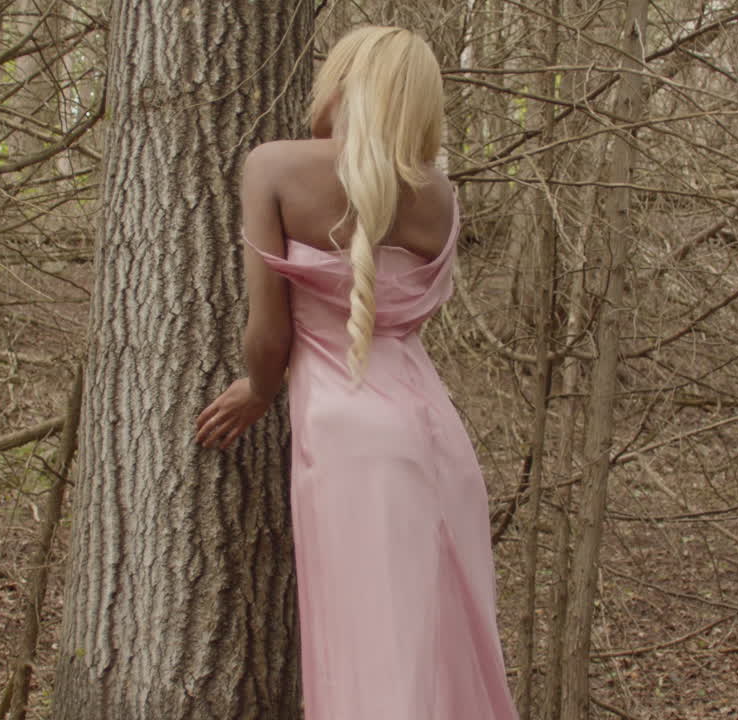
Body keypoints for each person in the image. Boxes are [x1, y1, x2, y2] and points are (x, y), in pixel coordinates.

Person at [195, 25, 520, 720]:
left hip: (347, 437)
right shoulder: (439, 194)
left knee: (368, 650)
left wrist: (257, 388)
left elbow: (269, 332)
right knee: (436, 650)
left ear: (341, 85)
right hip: (437, 439)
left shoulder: (275, 167)